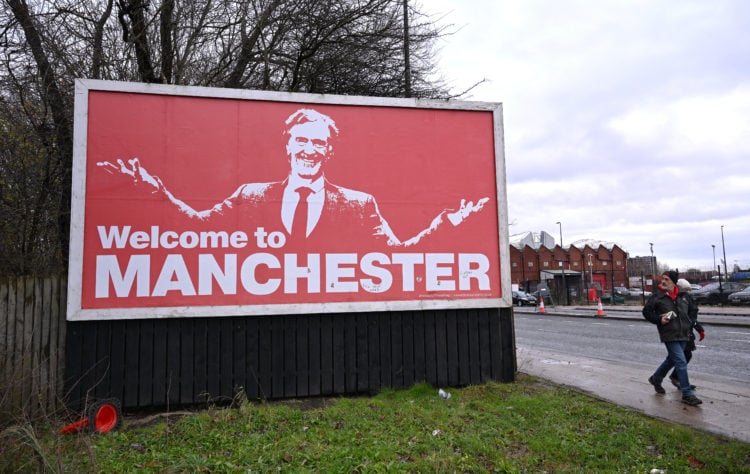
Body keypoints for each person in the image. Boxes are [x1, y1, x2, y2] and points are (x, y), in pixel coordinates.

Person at [98, 108, 489, 248]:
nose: (307, 150)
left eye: (317, 143)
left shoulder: (358, 203)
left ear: (328, 151)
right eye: (300, 140)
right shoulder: (250, 196)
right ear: (287, 145)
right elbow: (197, 230)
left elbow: (397, 255)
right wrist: (156, 191)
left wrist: (446, 224)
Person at [643, 270, 702, 406]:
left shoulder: (683, 296)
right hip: (669, 334)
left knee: (671, 360)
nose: (663, 281)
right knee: (681, 362)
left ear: (674, 282)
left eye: (667, 279)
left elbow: (693, 309)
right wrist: (659, 319)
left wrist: (691, 322)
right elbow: (646, 312)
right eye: (662, 279)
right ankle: (687, 394)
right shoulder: (658, 296)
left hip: (684, 334)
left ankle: (656, 378)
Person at [668, 279, 705, 389]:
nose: (689, 292)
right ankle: (679, 381)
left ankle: (659, 377)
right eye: (686, 290)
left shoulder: (686, 300)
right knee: (683, 356)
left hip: (686, 333)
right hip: (680, 333)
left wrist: (699, 329)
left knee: (680, 357)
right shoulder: (676, 300)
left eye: (689, 290)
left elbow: (691, 318)